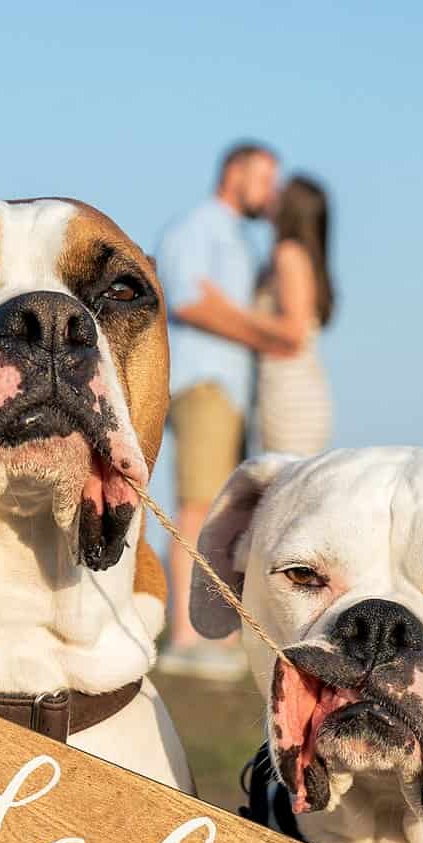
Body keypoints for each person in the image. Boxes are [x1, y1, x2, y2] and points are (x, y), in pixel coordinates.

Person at [152, 141, 300, 678]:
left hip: (230, 391)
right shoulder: (197, 228)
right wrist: (270, 335)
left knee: (220, 506)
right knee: (198, 507)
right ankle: (188, 636)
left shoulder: (236, 238)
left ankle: (209, 631)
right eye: (265, 177)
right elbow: (190, 299)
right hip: (205, 385)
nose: (272, 191)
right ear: (234, 173)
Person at [220, 174, 337, 458]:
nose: (271, 195)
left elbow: (294, 331)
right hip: (287, 385)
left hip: (290, 390)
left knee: (284, 479)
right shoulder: (292, 255)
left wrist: (226, 312)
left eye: (280, 192)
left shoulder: (289, 255)